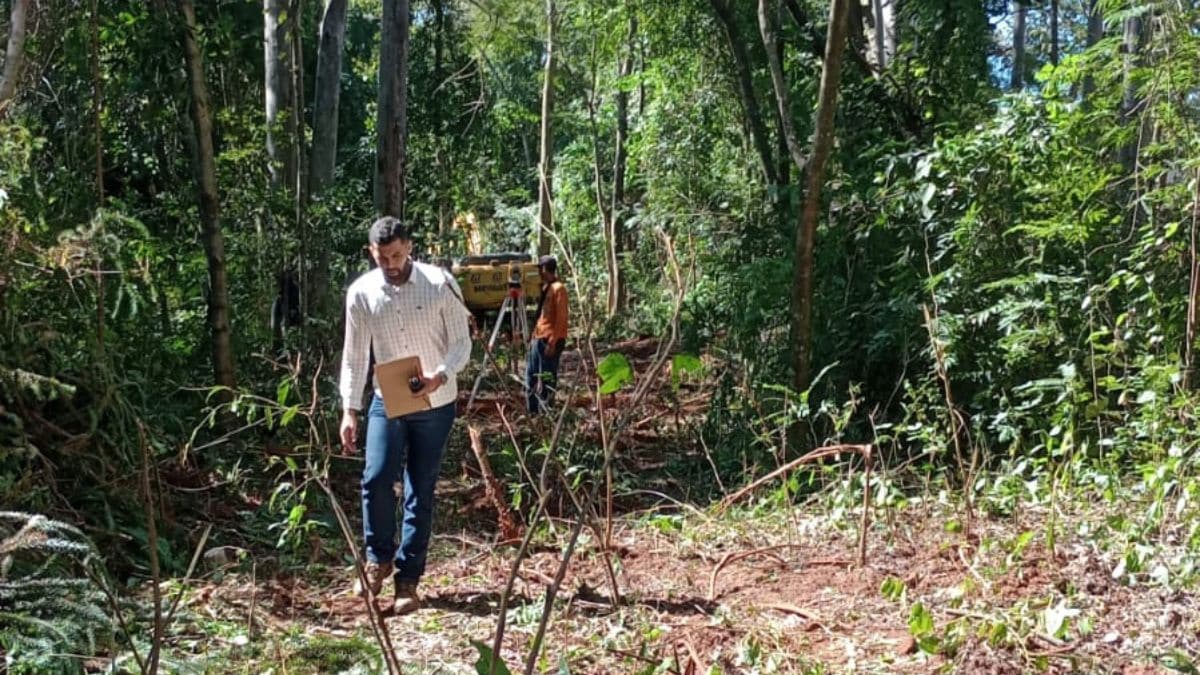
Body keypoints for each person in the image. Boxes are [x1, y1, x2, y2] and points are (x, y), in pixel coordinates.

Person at [338, 216, 471, 614]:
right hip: (388, 399)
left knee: (420, 487)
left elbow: (462, 343)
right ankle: (377, 558)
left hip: (436, 399)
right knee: (376, 476)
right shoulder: (362, 293)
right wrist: (349, 410)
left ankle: (408, 579)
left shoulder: (439, 283)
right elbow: (355, 356)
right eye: (382, 258)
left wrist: (440, 374)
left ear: (409, 247)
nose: (391, 264)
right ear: (371, 253)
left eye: (396, 255)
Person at [527, 254, 568, 413]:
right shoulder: (546, 288)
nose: (538, 273)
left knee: (546, 378)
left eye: (540, 269)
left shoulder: (558, 289)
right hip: (539, 338)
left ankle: (546, 413)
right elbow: (542, 315)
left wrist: (552, 341)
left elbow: (561, 318)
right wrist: (533, 335)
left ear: (544, 269)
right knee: (531, 376)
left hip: (550, 339)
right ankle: (532, 412)